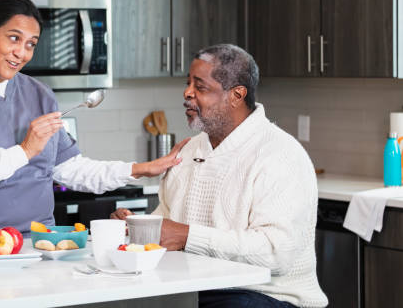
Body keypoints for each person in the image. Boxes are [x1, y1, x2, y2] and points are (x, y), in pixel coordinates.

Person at [0, 0, 187, 238]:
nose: (21, 53)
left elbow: (70, 169)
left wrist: (139, 169)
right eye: (13, 38)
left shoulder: (39, 94)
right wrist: (24, 150)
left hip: (40, 245)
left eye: (31, 44)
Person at [111, 44, 327, 307]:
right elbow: (168, 227)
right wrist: (138, 227)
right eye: (188, 83)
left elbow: (276, 252)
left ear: (236, 95)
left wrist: (186, 236)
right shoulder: (188, 151)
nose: (187, 93)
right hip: (195, 291)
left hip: (268, 296)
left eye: (200, 87)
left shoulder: (281, 154)